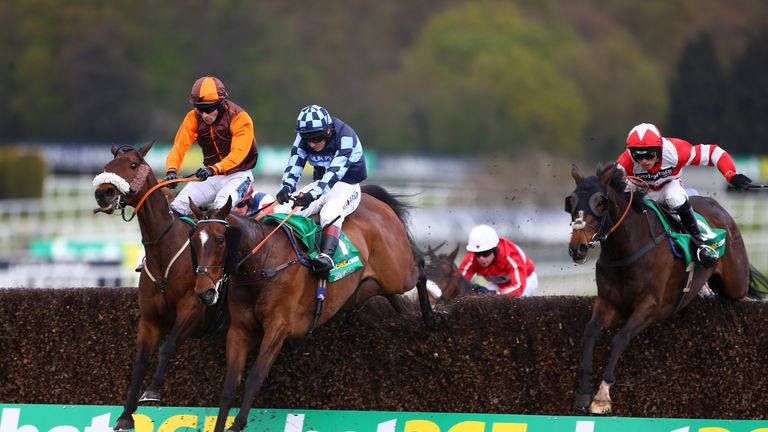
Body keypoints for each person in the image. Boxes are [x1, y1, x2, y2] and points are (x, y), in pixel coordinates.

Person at [616, 123, 753, 268]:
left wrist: (731, 175)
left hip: (668, 186)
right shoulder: (626, 161)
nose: (643, 161)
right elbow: (607, 184)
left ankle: (701, 246)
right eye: (638, 156)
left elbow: (714, 152)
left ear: (660, 150)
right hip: (641, 190)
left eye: (649, 155)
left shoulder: (675, 151)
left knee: (675, 199)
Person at [274, 104, 367, 276]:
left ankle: (327, 256)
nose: (312, 143)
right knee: (281, 210)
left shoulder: (346, 136)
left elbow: (334, 174)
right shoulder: (302, 139)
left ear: (328, 130)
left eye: (316, 138)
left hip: (347, 185)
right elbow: (295, 164)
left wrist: (312, 195)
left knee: (329, 212)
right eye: (307, 138)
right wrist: (286, 187)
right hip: (320, 184)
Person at [164, 75, 271, 216]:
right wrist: (172, 171)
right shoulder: (193, 117)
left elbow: (238, 154)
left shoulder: (240, 118)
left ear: (221, 104)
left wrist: (215, 168)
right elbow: (180, 145)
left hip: (238, 175)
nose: (204, 115)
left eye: (208, 109)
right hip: (212, 176)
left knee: (220, 208)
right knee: (177, 207)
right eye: (200, 109)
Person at [459, 224, 537, 297]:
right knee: (482, 301)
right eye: (477, 254)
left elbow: (518, 287)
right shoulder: (471, 258)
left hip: (526, 280)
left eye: (485, 253)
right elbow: (458, 283)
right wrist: (472, 288)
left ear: (495, 250)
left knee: (513, 302)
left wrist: (494, 294)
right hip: (498, 284)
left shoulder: (511, 256)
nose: (481, 258)